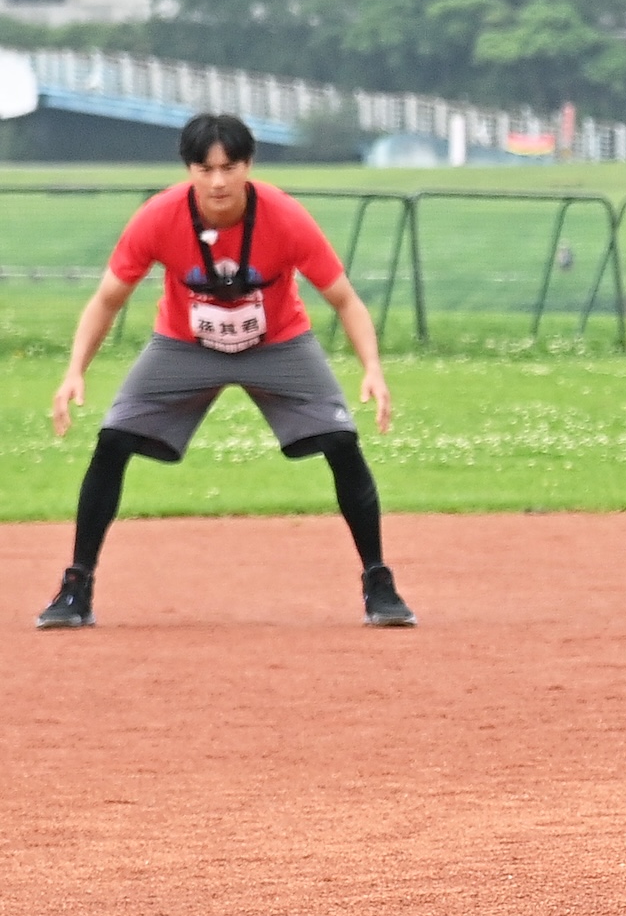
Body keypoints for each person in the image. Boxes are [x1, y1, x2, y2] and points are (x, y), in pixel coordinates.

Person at [37, 113, 414, 630]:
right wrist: (74, 371)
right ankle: (75, 588)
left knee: (342, 441)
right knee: (113, 440)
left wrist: (373, 368)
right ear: (189, 168)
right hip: (184, 345)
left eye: (229, 166)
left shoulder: (284, 217)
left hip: (278, 343)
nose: (217, 181)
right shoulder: (159, 217)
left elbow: (345, 299)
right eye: (204, 167)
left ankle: (379, 583)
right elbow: (107, 299)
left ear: (248, 166)